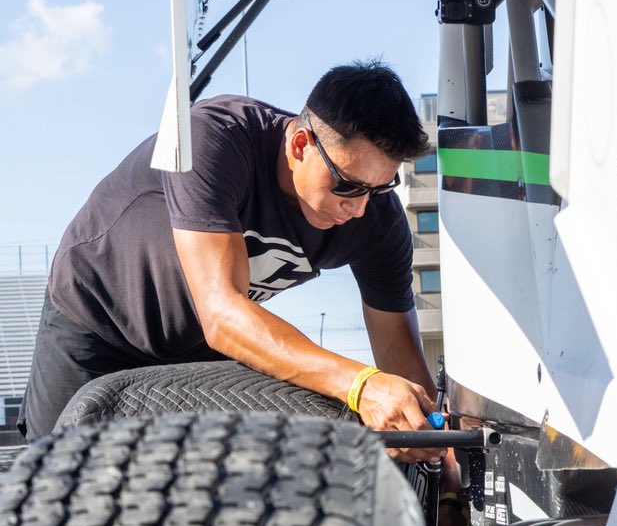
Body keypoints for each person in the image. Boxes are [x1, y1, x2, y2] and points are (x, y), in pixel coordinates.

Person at [19, 59, 451, 468]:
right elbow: (222, 315)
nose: (358, 209)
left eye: (378, 188)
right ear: (301, 144)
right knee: (58, 483)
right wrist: (361, 384)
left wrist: (448, 476)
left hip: (196, 347)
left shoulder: (376, 217)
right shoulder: (213, 136)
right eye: (348, 186)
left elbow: (404, 367)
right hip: (96, 321)